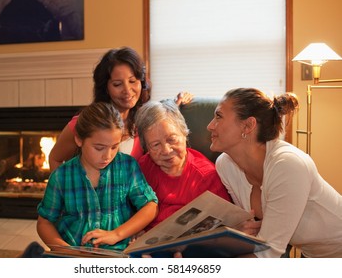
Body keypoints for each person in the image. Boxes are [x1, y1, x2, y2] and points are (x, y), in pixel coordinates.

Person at [207, 87, 342, 258]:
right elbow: (253, 232)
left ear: (248, 125)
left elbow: (267, 254)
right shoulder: (225, 165)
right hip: (313, 256)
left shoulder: (288, 165)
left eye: (218, 116)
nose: (210, 126)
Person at [37, 102, 158, 251]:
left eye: (114, 147)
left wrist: (116, 234)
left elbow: (150, 206)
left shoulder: (127, 166)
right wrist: (65, 250)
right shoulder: (61, 176)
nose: (107, 156)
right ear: (79, 140)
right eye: (99, 148)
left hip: (118, 251)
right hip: (73, 250)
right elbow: (44, 223)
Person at [49, 46, 193, 171]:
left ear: (141, 82)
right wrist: (66, 197)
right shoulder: (85, 122)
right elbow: (55, 158)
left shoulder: (143, 121)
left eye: (132, 81)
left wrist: (175, 104)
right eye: (117, 84)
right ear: (105, 87)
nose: (127, 90)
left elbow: (162, 119)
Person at [135, 100, 232, 231]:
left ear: (184, 133)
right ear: (146, 147)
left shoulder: (206, 177)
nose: (166, 150)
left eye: (171, 139)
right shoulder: (142, 168)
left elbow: (225, 223)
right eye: (156, 145)